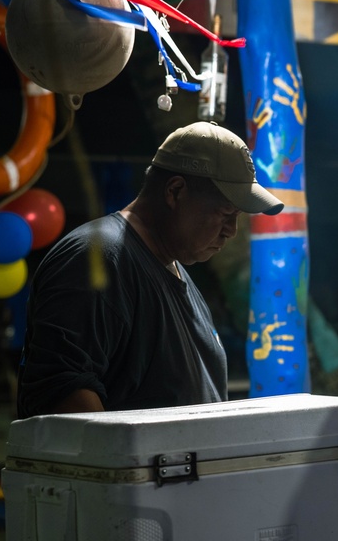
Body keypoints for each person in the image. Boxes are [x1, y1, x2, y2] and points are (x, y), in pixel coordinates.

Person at [17, 122, 284, 417]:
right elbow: (62, 394)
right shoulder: (98, 258)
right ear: (176, 191)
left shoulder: (174, 268)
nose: (231, 231)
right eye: (225, 213)